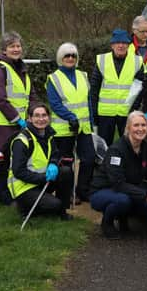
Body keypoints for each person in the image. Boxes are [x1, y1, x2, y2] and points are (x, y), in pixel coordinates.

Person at [89, 111, 147, 239]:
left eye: (143, 125)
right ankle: (107, 223)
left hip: (128, 189)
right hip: (104, 190)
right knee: (123, 200)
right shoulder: (116, 150)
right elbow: (117, 183)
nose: (140, 129)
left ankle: (123, 216)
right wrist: (145, 195)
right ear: (128, 128)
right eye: (136, 125)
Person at [0, 31, 37, 205]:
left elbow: (31, 96)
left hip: (20, 124)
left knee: (16, 160)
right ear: (4, 50)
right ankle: (1, 197)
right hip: (3, 124)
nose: (16, 49)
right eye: (12, 46)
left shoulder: (22, 70)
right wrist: (16, 118)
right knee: (1, 161)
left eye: (18, 46)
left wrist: (34, 113)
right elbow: (0, 98)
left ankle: (11, 194)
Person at [46, 42, 97, 203]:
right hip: (63, 128)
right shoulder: (53, 78)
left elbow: (88, 101)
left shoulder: (83, 75)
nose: (70, 58)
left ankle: (82, 190)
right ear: (61, 58)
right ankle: (65, 194)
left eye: (73, 55)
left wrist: (91, 122)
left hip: (84, 127)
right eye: (66, 55)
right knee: (66, 164)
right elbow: (55, 104)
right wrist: (70, 117)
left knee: (89, 158)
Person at [7, 103, 73, 220]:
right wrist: (43, 177)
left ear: (49, 117)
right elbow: (18, 172)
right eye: (37, 116)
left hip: (41, 181)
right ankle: (23, 207)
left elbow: (55, 154)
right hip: (24, 187)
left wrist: (53, 163)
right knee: (54, 205)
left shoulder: (48, 134)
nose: (41, 119)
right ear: (29, 118)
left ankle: (62, 212)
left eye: (44, 115)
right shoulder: (22, 141)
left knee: (66, 171)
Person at [90, 29, 145, 146]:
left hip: (127, 112)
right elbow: (94, 88)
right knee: (104, 146)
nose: (121, 45)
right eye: (117, 43)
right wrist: (93, 111)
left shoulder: (137, 61)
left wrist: (133, 109)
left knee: (129, 145)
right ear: (112, 45)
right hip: (105, 113)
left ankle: (129, 165)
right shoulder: (102, 60)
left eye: (124, 43)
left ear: (128, 45)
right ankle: (104, 165)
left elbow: (139, 88)